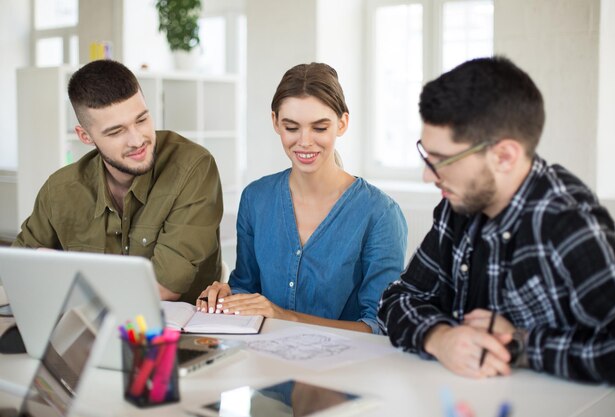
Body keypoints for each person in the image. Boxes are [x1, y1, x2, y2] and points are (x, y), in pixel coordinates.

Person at [378, 56, 615, 385]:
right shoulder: (459, 205)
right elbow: (397, 298)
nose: (427, 176)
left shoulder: (568, 224)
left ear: (504, 156)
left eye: (440, 161)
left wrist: (522, 346)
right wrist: (438, 338)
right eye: (427, 155)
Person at [197, 62, 407, 333]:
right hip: (262, 360)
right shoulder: (255, 199)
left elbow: (379, 327)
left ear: (342, 123)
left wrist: (284, 316)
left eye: (320, 128)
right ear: (275, 122)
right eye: (292, 127)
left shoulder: (380, 214)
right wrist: (226, 296)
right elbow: (246, 287)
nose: (305, 141)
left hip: (343, 369)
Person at [12, 59, 223, 304]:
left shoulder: (192, 168)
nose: (137, 140)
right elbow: (19, 268)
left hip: (176, 336)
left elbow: (164, 288)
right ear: (85, 136)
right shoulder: (60, 190)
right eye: (116, 132)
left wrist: (67, 272)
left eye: (142, 120)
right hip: (88, 328)